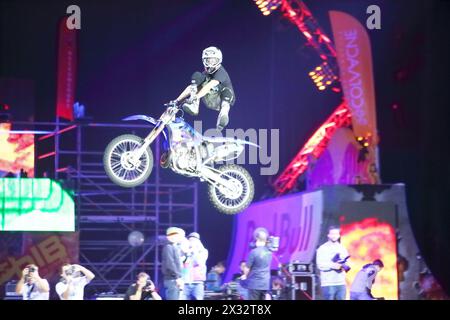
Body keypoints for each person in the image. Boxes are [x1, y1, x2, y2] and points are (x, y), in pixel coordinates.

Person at [174, 46, 235, 131]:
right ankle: (194, 107)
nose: (210, 63)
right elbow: (190, 88)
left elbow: (209, 86)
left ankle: (223, 114)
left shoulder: (221, 72)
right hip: (208, 99)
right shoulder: (204, 74)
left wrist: (195, 97)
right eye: (208, 60)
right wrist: (176, 101)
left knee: (227, 91)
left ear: (219, 60)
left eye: (213, 60)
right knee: (197, 76)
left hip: (220, 101)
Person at [316, 225, 350, 300]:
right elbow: (320, 265)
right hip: (328, 283)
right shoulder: (322, 248)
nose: (334, 236)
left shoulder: (342, 248)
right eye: (332, 234)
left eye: (336, 234)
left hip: (341, 283)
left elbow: (347, 262)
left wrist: (344, 265)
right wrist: (333, 265)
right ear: (328, 235)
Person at [246, 227, 273, 300]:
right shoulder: (269, 253)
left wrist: (244, 276)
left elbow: (247, 268)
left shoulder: (253, 252)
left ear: (257, 239)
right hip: (265, 284)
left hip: (255, 284)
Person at [180, 232, 209, 300]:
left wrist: (194, 250)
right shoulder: (184, 251)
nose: (192, 242)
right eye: (190, 240)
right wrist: (186, 252)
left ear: (198, 242)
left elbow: (198, 261)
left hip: (197, 283)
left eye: (194, 240)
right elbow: (180, 262)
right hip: (185, 282)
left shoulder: (204, 251)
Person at [161, 227, 185, 300]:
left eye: (176, 235)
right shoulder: (168, 247)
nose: (175, 237)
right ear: (168, 237)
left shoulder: (176, 247)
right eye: (172, 236)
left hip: (176, 278)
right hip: (172, 278)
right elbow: (170, 264)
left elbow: (179, 262)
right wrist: (177, 277)